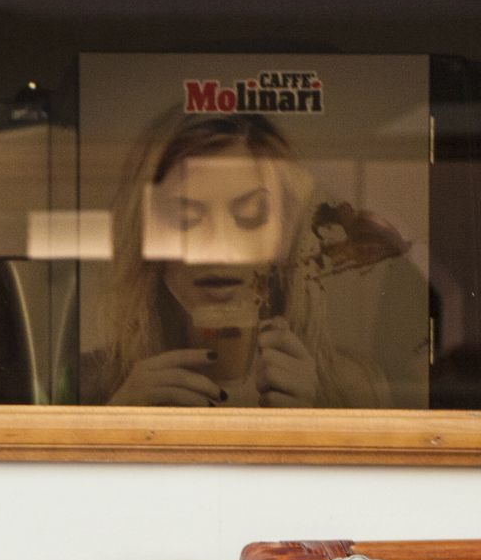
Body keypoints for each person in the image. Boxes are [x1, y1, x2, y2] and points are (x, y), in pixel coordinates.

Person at [89, 107, 403, 409]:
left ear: (284, 236)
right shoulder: (92, 384)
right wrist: (118, 422)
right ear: (146, 235)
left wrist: (307, 430)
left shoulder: (353, 387)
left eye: (251, 216)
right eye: (186, 219)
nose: (220, 247)